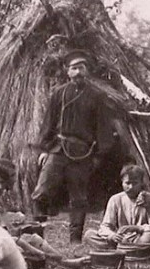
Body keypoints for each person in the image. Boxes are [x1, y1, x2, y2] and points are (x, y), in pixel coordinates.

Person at [32, 49, 113, 243]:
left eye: (82, 68)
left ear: (87, 71)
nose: (78, 72)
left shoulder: (98, 96)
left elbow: (103, 128)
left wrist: (98, 156)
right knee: (41, 192)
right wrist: (44, 149)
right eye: (74, 68)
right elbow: (48, 124)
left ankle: (75, 239)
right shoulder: (59, 94)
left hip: (82, 153)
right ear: (68, 71)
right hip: (58, 149)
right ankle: (35, 235)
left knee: (78, 198)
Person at [83, 164, 150, 251]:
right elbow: (105, 226)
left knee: (149, 237)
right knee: (89, 234)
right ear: (122, 182)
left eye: (135, 183)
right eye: (127, 183)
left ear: (141, 183)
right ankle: (126, 250)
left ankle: (124, 250)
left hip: (140, 237)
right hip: (121, 239)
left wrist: (137, 228)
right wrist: (112, 236)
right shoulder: (115, 199)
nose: (130, 187)